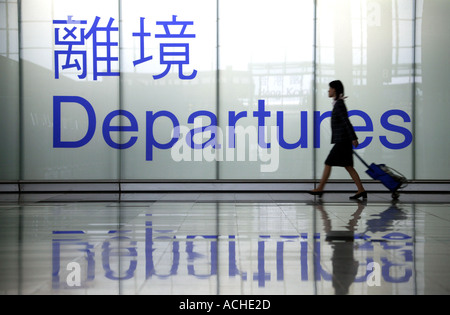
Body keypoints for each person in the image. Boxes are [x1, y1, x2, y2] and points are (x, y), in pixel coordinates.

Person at [310, 80, 367, 200]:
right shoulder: (338, 103)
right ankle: (361, 189)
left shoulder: (339, 104)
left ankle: (320, 188)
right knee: (348, 166)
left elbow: (346, 122)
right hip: (343, 140)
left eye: (330, 88)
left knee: (328, 162)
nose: (328, 90)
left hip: (343, 141)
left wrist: (354, 138)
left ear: (335, 89)